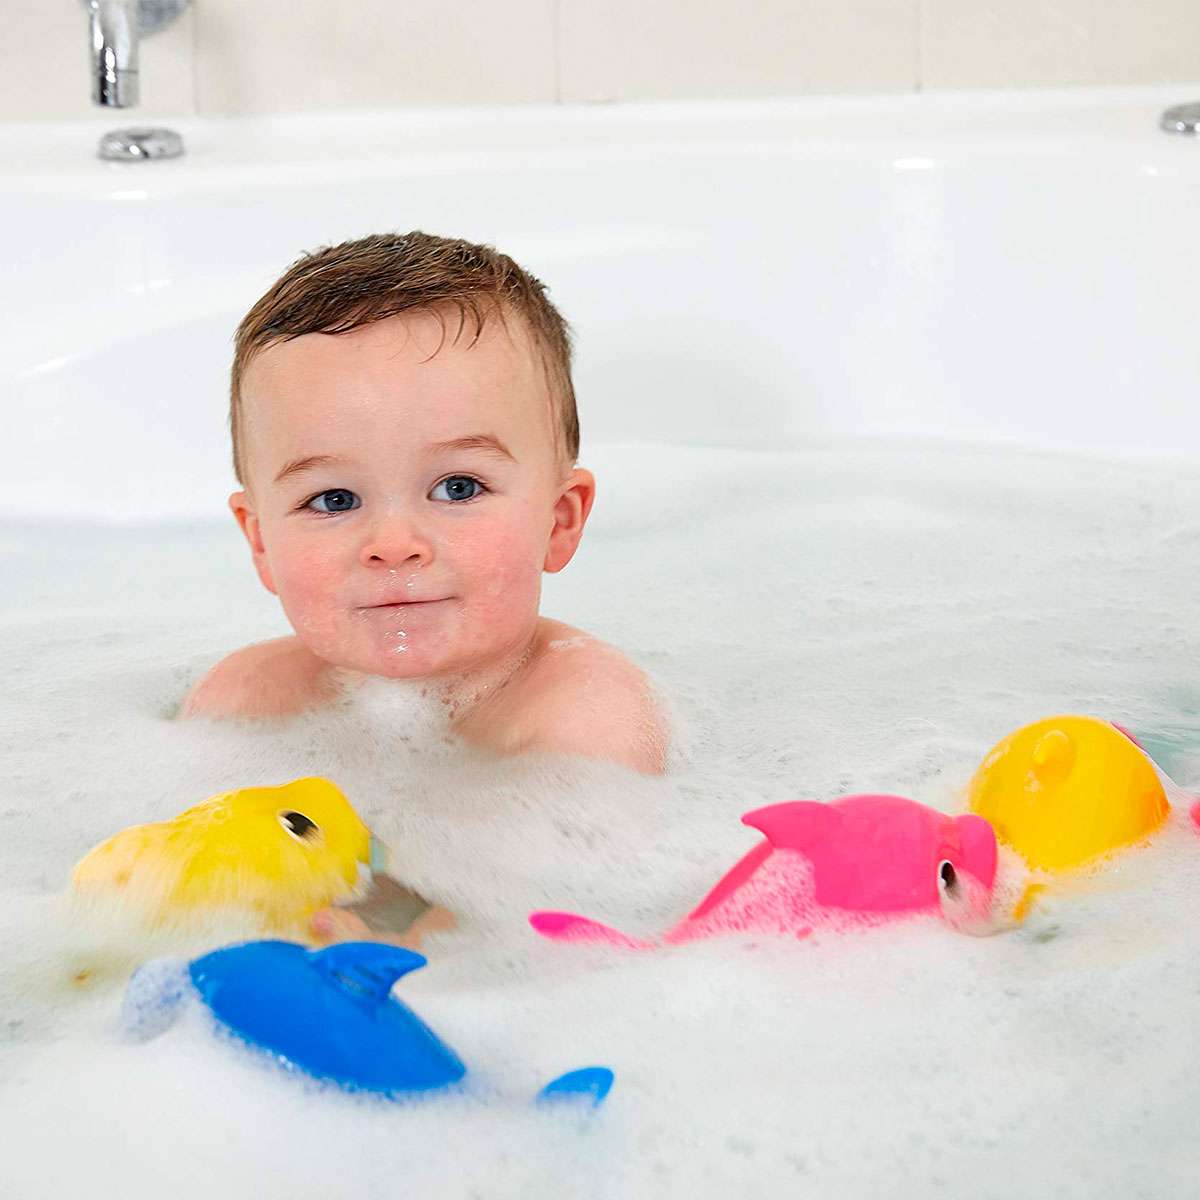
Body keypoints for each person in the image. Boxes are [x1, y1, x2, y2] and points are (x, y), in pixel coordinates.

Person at [182, 229, 667, 774]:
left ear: (559, 521)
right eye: (334, 500)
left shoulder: (587, 715)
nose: (393, 546)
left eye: (458, 487)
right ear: (260, 542)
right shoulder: (245, 698)